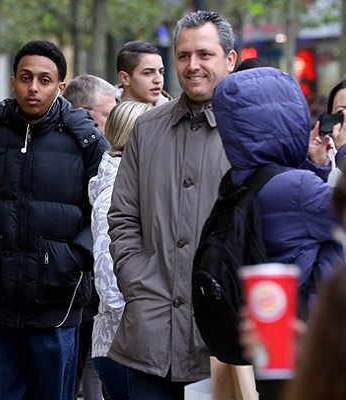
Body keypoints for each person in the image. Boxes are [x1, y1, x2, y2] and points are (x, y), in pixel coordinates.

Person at [0, 40, 109, 400]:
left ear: (60, 87)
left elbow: (105, 211)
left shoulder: (84, 140)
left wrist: (73, 261)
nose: (33, 88)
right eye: (25, 78)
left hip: (56, 309)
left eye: (44, 79)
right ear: (13, 82)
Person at [107, 11, 238, 399]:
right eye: (183, 56)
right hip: (152, 335)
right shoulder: (147, 130)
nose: (192, 65)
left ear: (229, 60)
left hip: (226, 338)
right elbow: (122, 217)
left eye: (204, 54)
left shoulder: (250, 129)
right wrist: (138, 280)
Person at [214, 67, 345, 317]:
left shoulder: (242, 177)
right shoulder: (297, 187)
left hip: (279, 317)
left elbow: (297, 224)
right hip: (316, 321)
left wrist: (312, 165)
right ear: (288, 117)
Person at [89, 100, 152, 400]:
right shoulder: (113, 194)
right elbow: (108, 279)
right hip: (125, 344)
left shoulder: (137, 184)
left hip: (138, 342)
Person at [64, 73, 118, 400]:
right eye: (108, 113)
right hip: (69, 291)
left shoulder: (105, 154)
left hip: (94, 293)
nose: (112, 121)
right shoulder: (88, 154)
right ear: (86, 113)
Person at [116, 41, 170, 105]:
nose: (158, 80)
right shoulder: (105, 111)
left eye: (161, 72)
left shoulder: (174, 112)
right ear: (124, 78)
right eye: (148, 73)